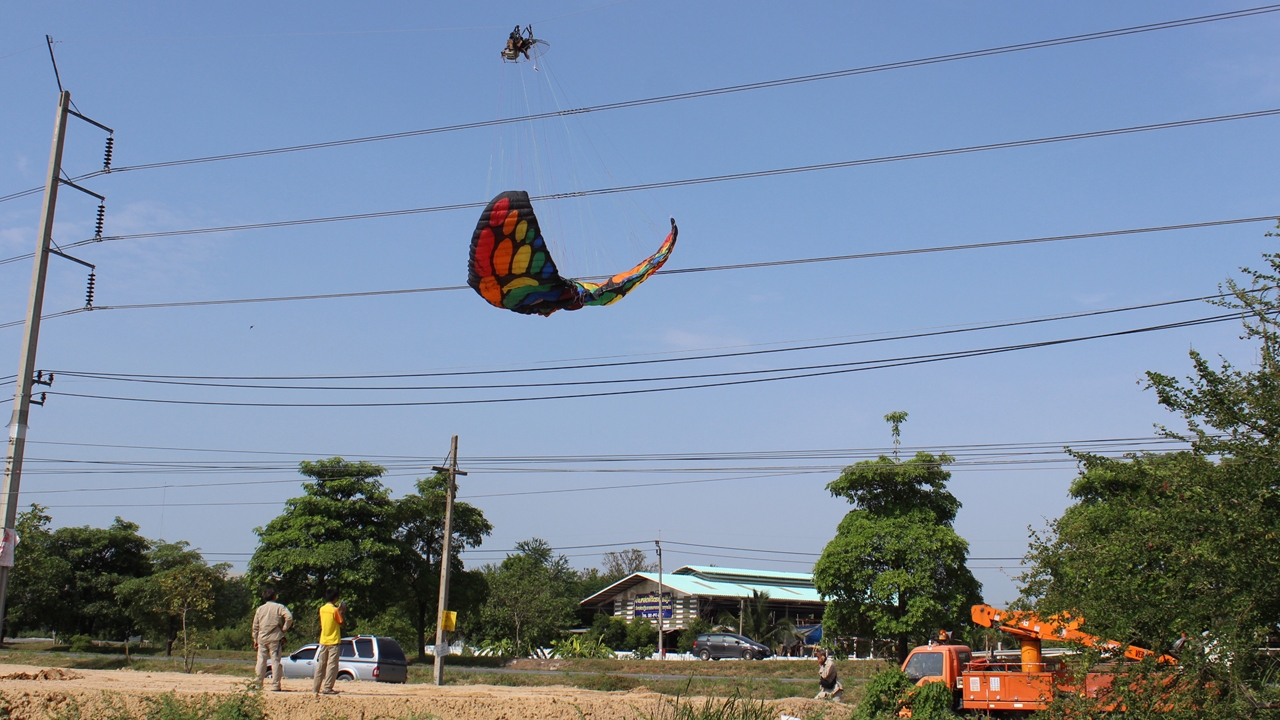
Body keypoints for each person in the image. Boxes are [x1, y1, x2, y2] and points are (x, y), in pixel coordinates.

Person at [251, 587, 293, 692]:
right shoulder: (279, 607)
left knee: (261, 661)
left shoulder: (260, 609)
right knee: (275, 661)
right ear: (274, 596)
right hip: (275, 638)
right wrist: (284, 629)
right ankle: (275, 685)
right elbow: (289, 617)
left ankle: (258, 684)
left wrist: (255, 639)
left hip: (262, 638)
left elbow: (255, 626)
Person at [313, 588, 346, 696]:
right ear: (335, 598)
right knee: (332, 665)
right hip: (334, 641)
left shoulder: (322, 609)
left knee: (321, 665)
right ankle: (327, 687)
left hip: (323, 640)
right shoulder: (335, 610)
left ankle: (315, 687)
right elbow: (341, 622)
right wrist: (342, 611)